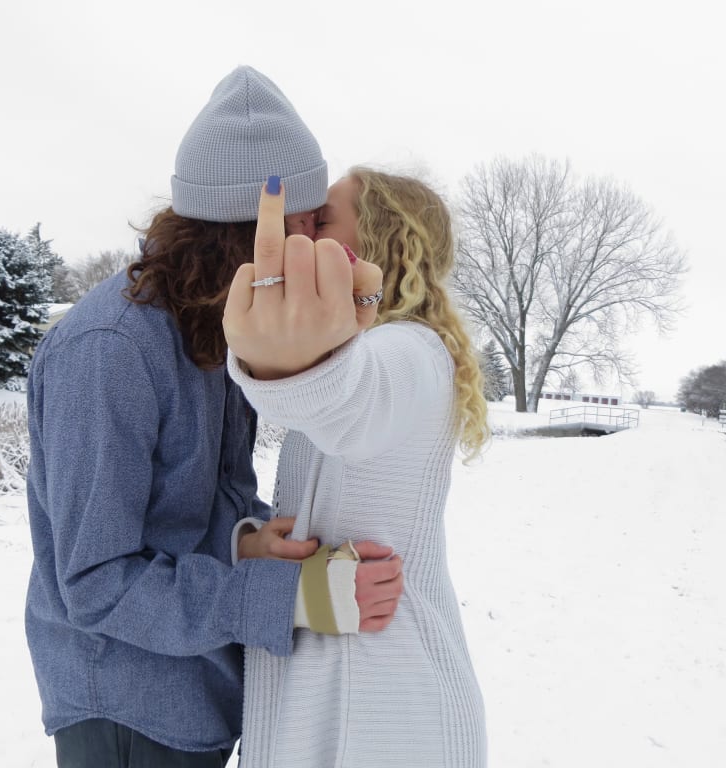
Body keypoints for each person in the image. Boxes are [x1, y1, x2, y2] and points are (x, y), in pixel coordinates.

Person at [24, 66, 403, 768]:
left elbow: (196, 501)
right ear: (250, 228)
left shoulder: (217, 322)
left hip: (197, 691)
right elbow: (97, 584)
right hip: (126, 707)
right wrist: (286, 596)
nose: (321, 248)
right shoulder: (109, 352)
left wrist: (251, 538)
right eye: (308, 224)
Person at [223, 168, 490, 766]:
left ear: (379, 241)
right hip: (341, 702)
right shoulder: (370, 350)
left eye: (322, 220)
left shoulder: (412, 352)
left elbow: (351, 400)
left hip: (388, 713)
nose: (303, 229)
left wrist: (286, 361)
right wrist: (255, 546)